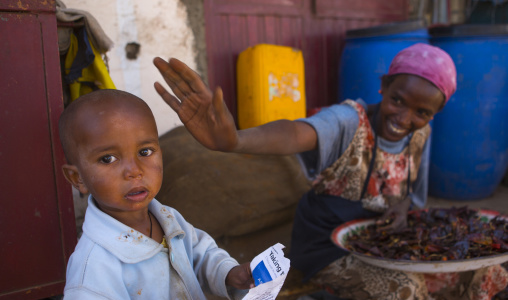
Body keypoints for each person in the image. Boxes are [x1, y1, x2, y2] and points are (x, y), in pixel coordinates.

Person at [152, 43, 457, 282]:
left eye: (421, 113)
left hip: (377, 240)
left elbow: (411, 196)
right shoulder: (349, 121)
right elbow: (295, 131)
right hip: (326, 246)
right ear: (384, 86)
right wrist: (236, 141)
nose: (403, 119)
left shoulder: (421, 135)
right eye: (398, 101)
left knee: (452, 269)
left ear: (434, 114)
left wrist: (401, 208)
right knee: (402, 288)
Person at [54, 89, 254, 300]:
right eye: (108, 159)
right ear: (77, 178)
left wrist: (230, 272)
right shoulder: (95, 267)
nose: (134, 170)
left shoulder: (167, 217)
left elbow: (201, 253)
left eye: (145, 151)